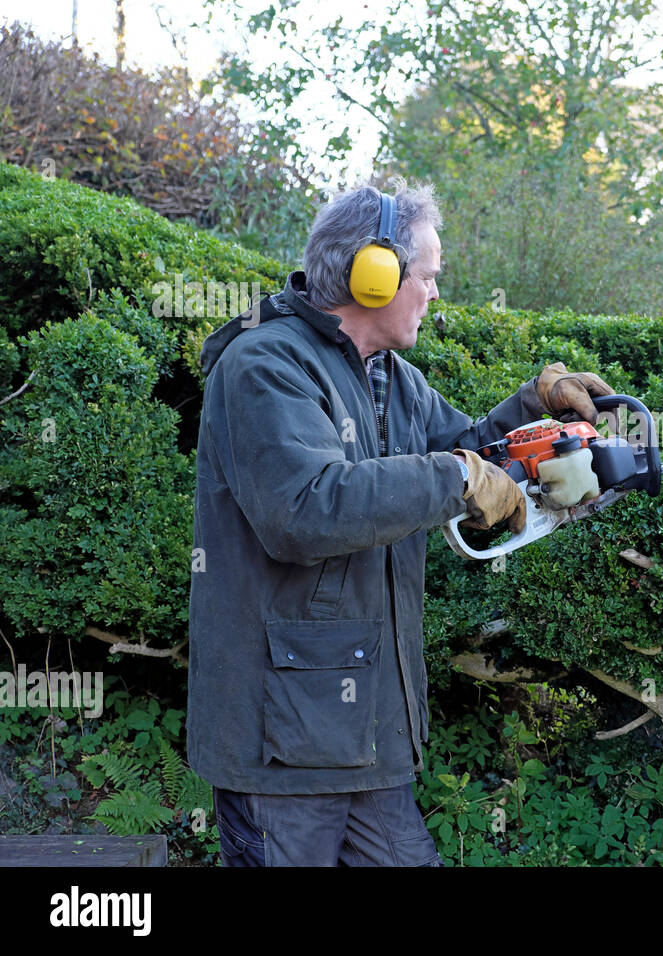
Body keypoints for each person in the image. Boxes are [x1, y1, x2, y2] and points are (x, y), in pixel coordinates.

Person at [186, 180, 613, 866]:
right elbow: (305, 509)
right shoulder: (265, 365)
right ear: (373, 275)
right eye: (429, 277)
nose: (436, 294)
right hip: (282, 750)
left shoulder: (393, 378)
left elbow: (469, 447)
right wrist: (458, 478)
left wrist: (533, 406)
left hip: (370, 735)